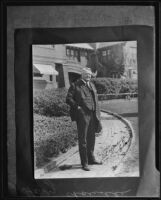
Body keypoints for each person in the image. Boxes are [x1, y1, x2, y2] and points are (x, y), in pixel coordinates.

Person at [66, 67, 103, 171]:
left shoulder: (91, 84)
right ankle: (84, 163)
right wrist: (77, 107)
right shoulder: (75, 85)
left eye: (90, 75)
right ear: (82, 74)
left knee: (92, 138)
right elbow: (68, 98)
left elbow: (95, 100)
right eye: (86, 74)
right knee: (83, 140)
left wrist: (98, 115)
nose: (88, 76)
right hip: (82, 116)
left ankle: (91, 159)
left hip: (93, 115)